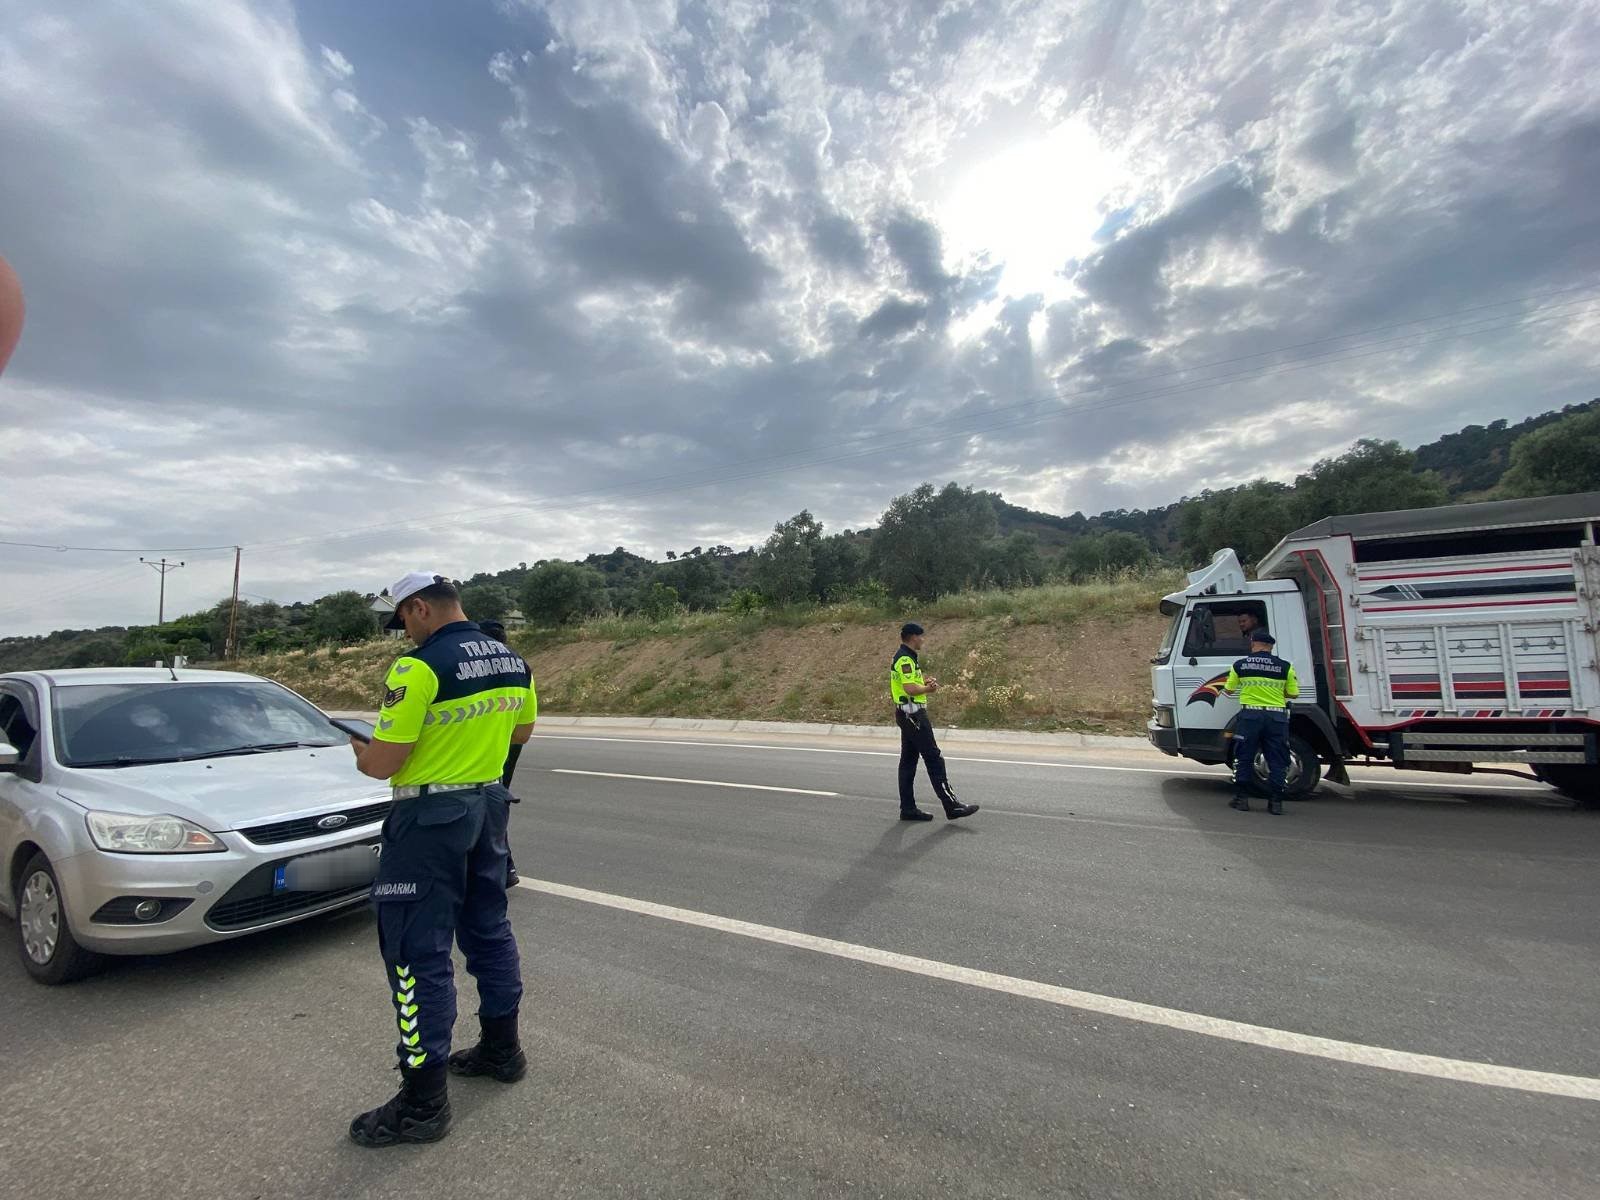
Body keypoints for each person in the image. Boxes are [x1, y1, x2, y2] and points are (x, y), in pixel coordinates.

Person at [346, 572, 534, 1147]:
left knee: (413, 953)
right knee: (489, 930)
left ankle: (422, 1104)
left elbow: (382, 765)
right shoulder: (511, 659)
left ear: (420, 608)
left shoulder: (418, 668)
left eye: (401, 619)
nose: (401, 631)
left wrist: (363, 752)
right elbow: (521, 731)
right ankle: (504, 1051)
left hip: (429, 820)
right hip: (487, 807)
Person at [891, 622, 978, 822]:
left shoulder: (907, 657)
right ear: (913, 637)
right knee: (933, 758)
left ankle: (908, 808)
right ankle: (951, 805)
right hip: (913, 716)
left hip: (906, 714)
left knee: (908, 762)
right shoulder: (905, 658)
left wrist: (925, 683)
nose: (923, 639)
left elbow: (912, 684)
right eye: (921, 636)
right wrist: (928, 689)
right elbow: (910, 689)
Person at [478, 619, 535, 888]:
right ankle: (505, 866)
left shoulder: (478, 670)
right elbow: (525, 728)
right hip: (512, 741)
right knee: (496, 801)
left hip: (491, 744)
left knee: (489, 803)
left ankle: (503, 866)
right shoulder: (519, 666)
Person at [1223, 630, 1299, 815]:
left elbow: (1229, 690)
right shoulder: (1285, 667)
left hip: (1250, 716)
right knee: (1277, 759)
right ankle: (1275, 803)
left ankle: (1241, 799)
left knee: (1244, 757)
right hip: (1276, 718)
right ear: (1271, 647)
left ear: (1253, 643)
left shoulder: (1240, 665)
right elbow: (1293, 693)